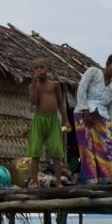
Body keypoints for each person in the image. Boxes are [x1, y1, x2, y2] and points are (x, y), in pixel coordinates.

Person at [75, 53, 112, 184]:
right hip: (83, 115)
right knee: (87, 149)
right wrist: (85, 111)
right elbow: (81, 90)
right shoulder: (93, 72)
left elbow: (111, 110)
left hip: (102, 120)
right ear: (108, 64)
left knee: (106, 149)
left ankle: (110, 177)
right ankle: (91, 182)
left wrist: (109, 126)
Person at [27, 58, 71, 188]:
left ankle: (58, 182)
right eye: (36, 68)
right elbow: (34, 102)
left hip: (53, 120)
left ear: (48, 69)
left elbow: (60, 104)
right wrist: (34, 84)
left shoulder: (55, 85)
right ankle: (35, 181)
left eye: (42, 67)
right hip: (39, 120)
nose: (39, 70)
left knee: (56, 152)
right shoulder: (32, 86)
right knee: (35, 151)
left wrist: (65, 119)